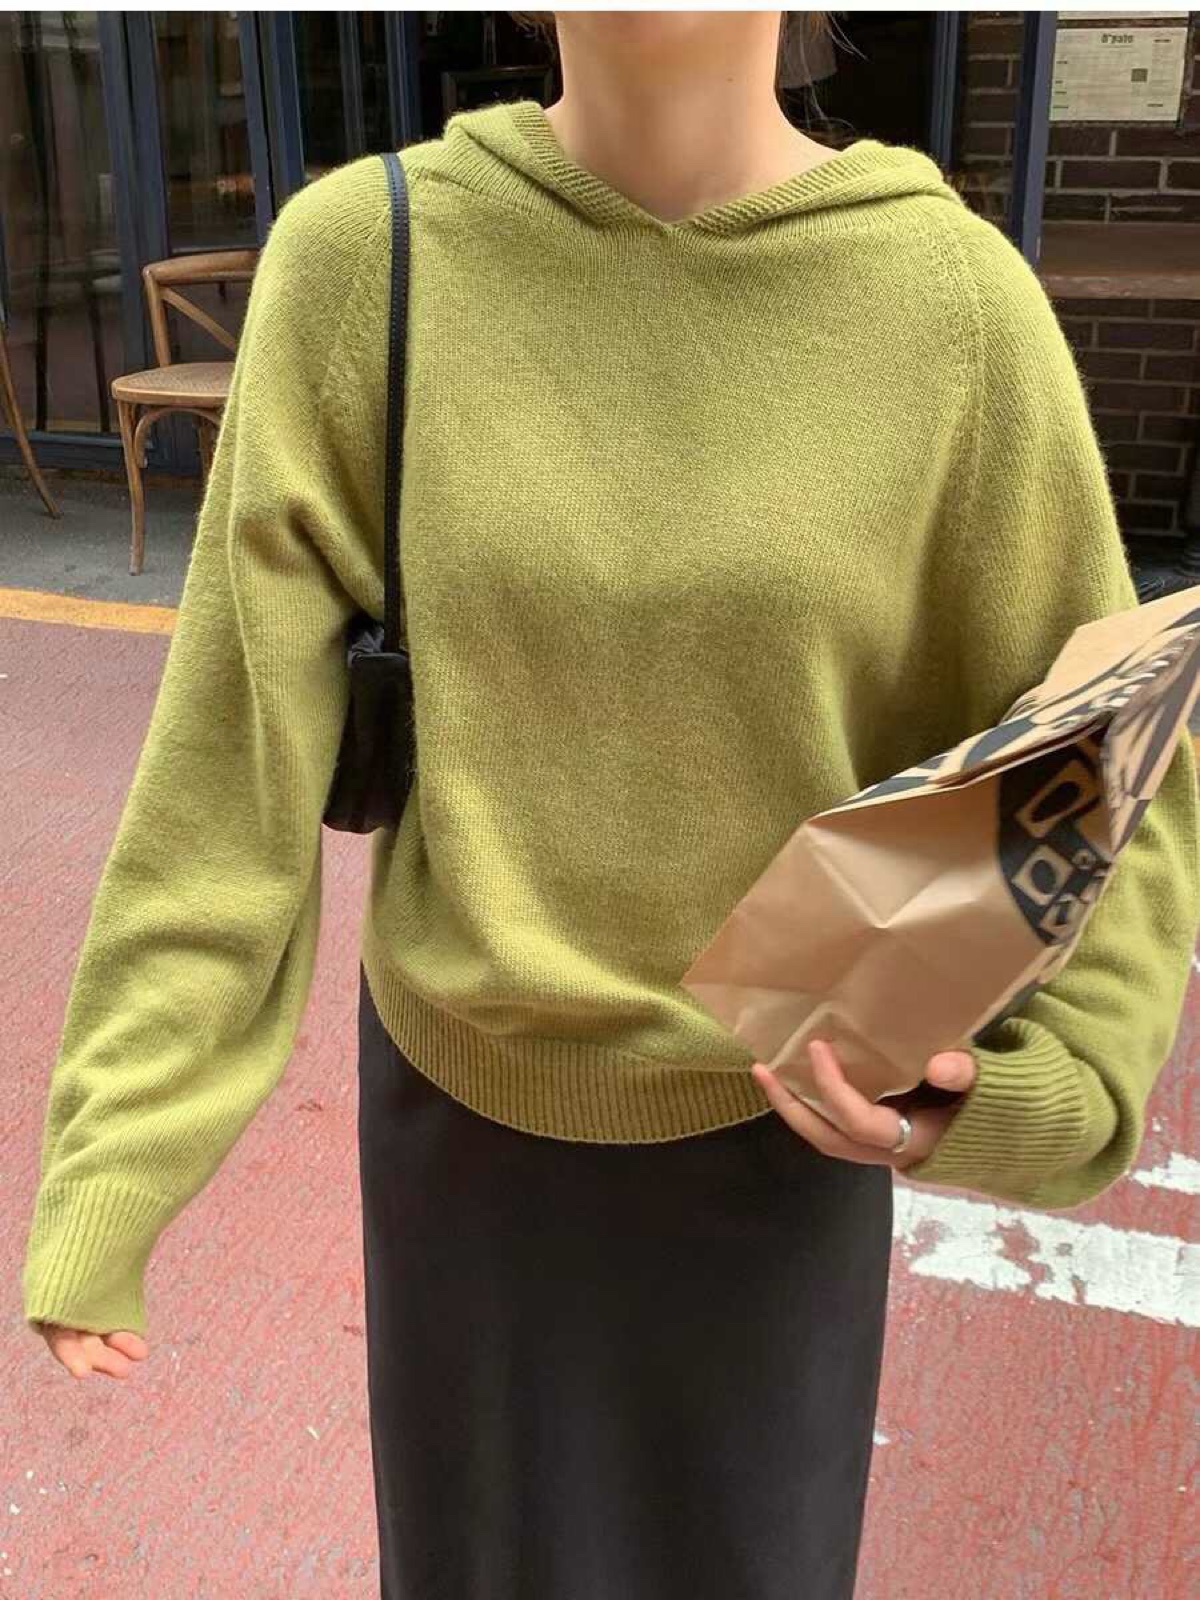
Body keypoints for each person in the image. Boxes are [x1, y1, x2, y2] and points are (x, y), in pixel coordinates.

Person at [21, 11, 1200, 1600]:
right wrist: (118, 1156)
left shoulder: (950, 304)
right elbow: (230, 760)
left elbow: (1106, 744)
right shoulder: (372, 262)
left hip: (783, 1122)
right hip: (464, 1122)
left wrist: (1043, 1087)